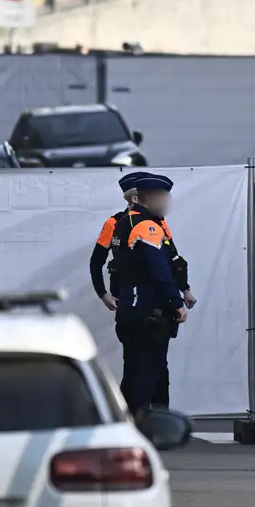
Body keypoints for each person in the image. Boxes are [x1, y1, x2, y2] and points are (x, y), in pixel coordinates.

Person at [111, 173, 188, 414]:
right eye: (162, 198)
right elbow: (160, 269)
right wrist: (176, 302)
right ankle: (150, 425)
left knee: (134, 371)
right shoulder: (148, 227)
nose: (166, 203)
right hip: (148, 312)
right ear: (148, 199)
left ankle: (127, 422)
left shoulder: (123, 222)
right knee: (149, 375)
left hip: (130, 309)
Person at [90, 172, 146, 312]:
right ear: (134, 198)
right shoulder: (113, 223)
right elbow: (96, 261)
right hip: (124, 294)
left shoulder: (156, 222)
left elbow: (170, 257)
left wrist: (183, 290)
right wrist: (102, 294)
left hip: (153, 295)